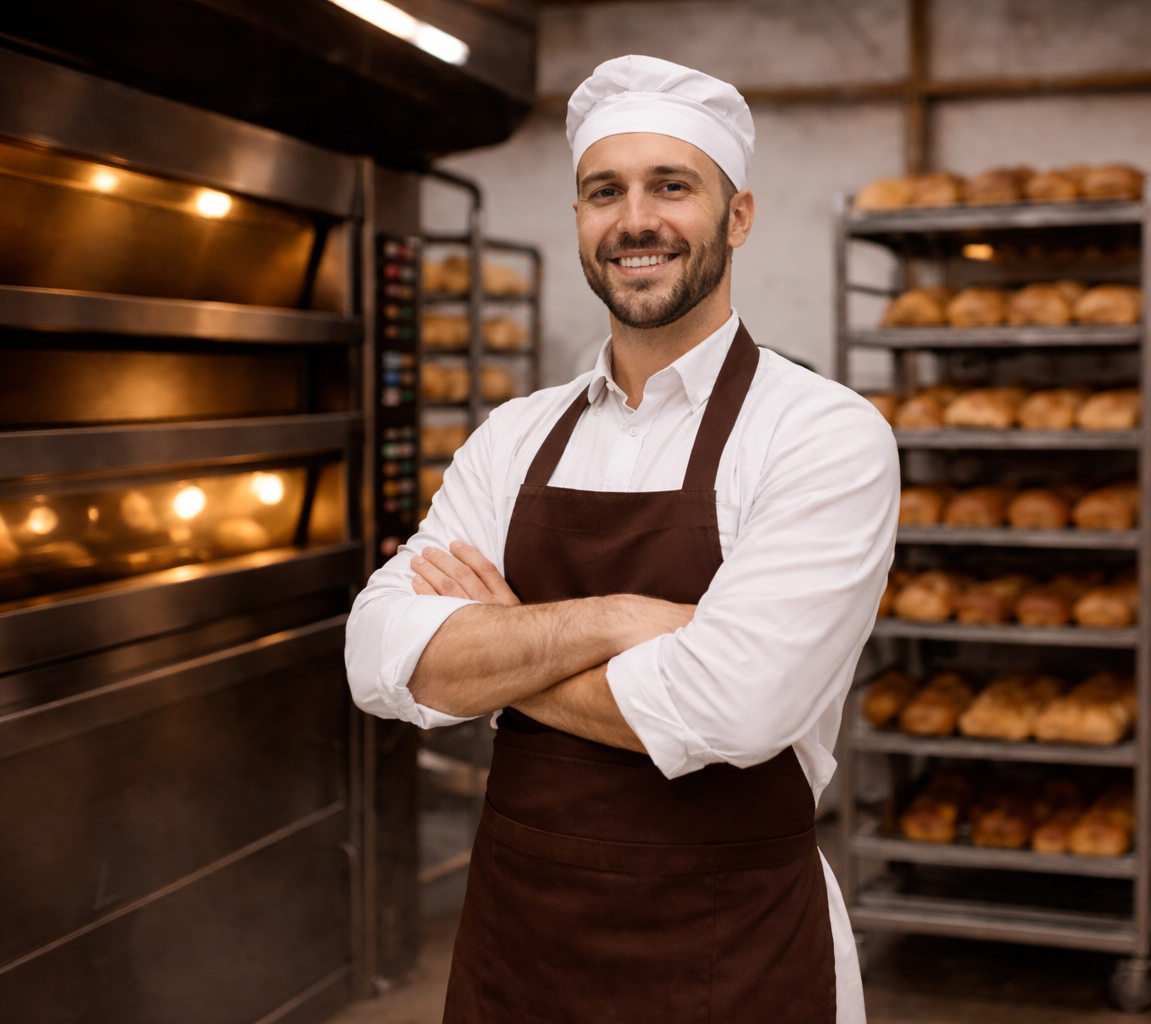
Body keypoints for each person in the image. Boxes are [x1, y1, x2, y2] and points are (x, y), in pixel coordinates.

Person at [346, 54, 898, 1024]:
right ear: (577, 222)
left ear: (737, 217)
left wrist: (502, 644)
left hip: (731, 951)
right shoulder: (514, 433)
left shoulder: (821, 432)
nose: (634, 218)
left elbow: (731, 705)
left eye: (670, 186)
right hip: (519, 940)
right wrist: (620, 617)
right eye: (604, 191)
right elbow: (379, 656)